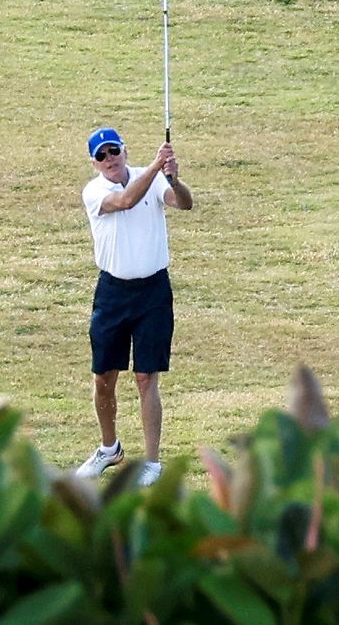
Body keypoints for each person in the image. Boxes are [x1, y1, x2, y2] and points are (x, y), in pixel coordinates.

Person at [75, 127, 193, 486]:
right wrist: (158, 166)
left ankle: (153, 463)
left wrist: (174, 178)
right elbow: (125, 201)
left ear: (125, 151)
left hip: (153, 291)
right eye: (102, 156)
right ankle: (109, 449)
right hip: (112, 292)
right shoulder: (95, 191)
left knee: (146, 378)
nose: (110, 160)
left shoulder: (153, 179)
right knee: (104, 377)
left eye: (114, 151)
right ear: (94, 163)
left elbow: (184, 203)